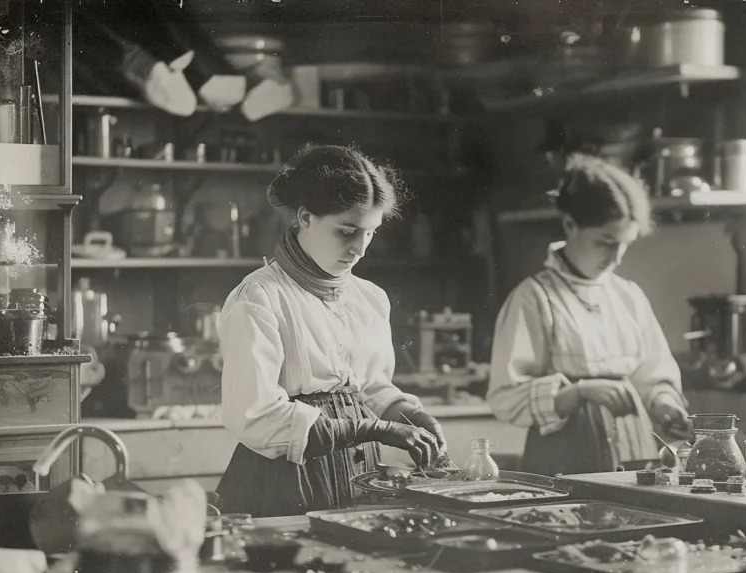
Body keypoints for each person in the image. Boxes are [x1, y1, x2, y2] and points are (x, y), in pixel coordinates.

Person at [215, 144, 447, 517]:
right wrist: (374, 431)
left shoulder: (370, 298)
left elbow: (370, 387)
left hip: (357, 475)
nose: (359, 249)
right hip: (284, 480)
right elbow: (254, 414)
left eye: (370, 233)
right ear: (306, 217)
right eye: (346, 231)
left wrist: (409, 415)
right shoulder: (258, 297)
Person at [487, 154, 690, 476]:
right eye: (605, 242)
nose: (615, 258)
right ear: (570, 225)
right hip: (565, 456)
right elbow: (505, 397)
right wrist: (578, 393)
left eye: (625, 244)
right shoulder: (534, 298)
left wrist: (663, 404)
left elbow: (652, 375)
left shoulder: (628, 296)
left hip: (636, 451)